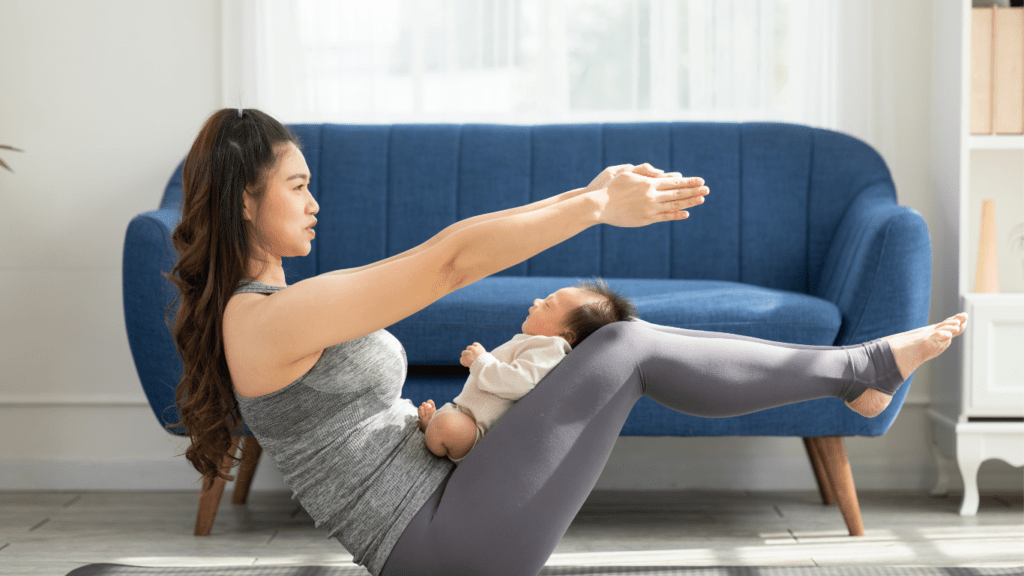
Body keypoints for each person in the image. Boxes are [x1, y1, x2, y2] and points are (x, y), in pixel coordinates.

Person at [164, 108, 968, 576]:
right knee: (622, 347)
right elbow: (448, 259)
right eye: (298, 185)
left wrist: (593, 194)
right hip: (438, 541)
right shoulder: (264, 318)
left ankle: (860, 374)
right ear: (243, 199)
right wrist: (593, 205)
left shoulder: (272, 306)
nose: (314, 202)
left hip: (449, 510)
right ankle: (863, 369)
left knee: (623, 348)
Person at [418, 278, 638, 464]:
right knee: (447, 423)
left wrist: (480, 362)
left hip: (478, 434)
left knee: (447, 426)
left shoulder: (549, 348)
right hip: (469, 418)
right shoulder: (537, 344)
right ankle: (437, 429)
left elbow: (517, 383)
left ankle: (437, 433)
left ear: (566, 335)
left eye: (548, 305)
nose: (537, 301)